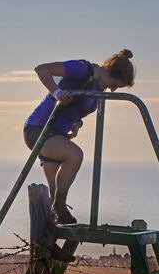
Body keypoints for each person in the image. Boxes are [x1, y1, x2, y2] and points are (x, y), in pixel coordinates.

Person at [23, 49, 136, 225]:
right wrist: (57, 92)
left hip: (58, 134)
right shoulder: (82, 69)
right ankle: (60, 206)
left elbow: (77, 109)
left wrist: (76, 124)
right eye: (115, 83)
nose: (113, 89)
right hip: (38, 129)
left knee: (53, 198)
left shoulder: (99, 88)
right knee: (75, 155)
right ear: (108, 71)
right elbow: (42, 69)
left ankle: (49, 246)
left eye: (117, 88)